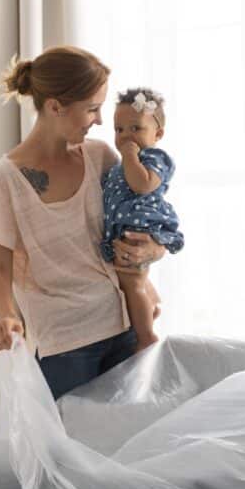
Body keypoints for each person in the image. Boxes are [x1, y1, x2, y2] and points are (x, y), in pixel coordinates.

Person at [0, 46, 168, 400]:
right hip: (65, 348)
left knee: (128, 449)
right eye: (92, 109)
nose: (98, 120)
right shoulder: (6, 180)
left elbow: (145, 214)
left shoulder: (99, 158)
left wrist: (154, 249)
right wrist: (6, 317)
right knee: (70, 451)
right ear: (55, 107)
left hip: (125, 330)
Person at [101, 87, 184, 350]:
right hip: (123, 225)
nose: (126, 136)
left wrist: (128, 156)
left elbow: (142, 185)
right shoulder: (122, 162)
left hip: (141, 225)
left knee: (132, 281)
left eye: (136, 128)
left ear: (157, 134)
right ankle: (149, 309)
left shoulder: (154, 158)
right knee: (131, 283)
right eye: (119, 129)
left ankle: (146, 335)